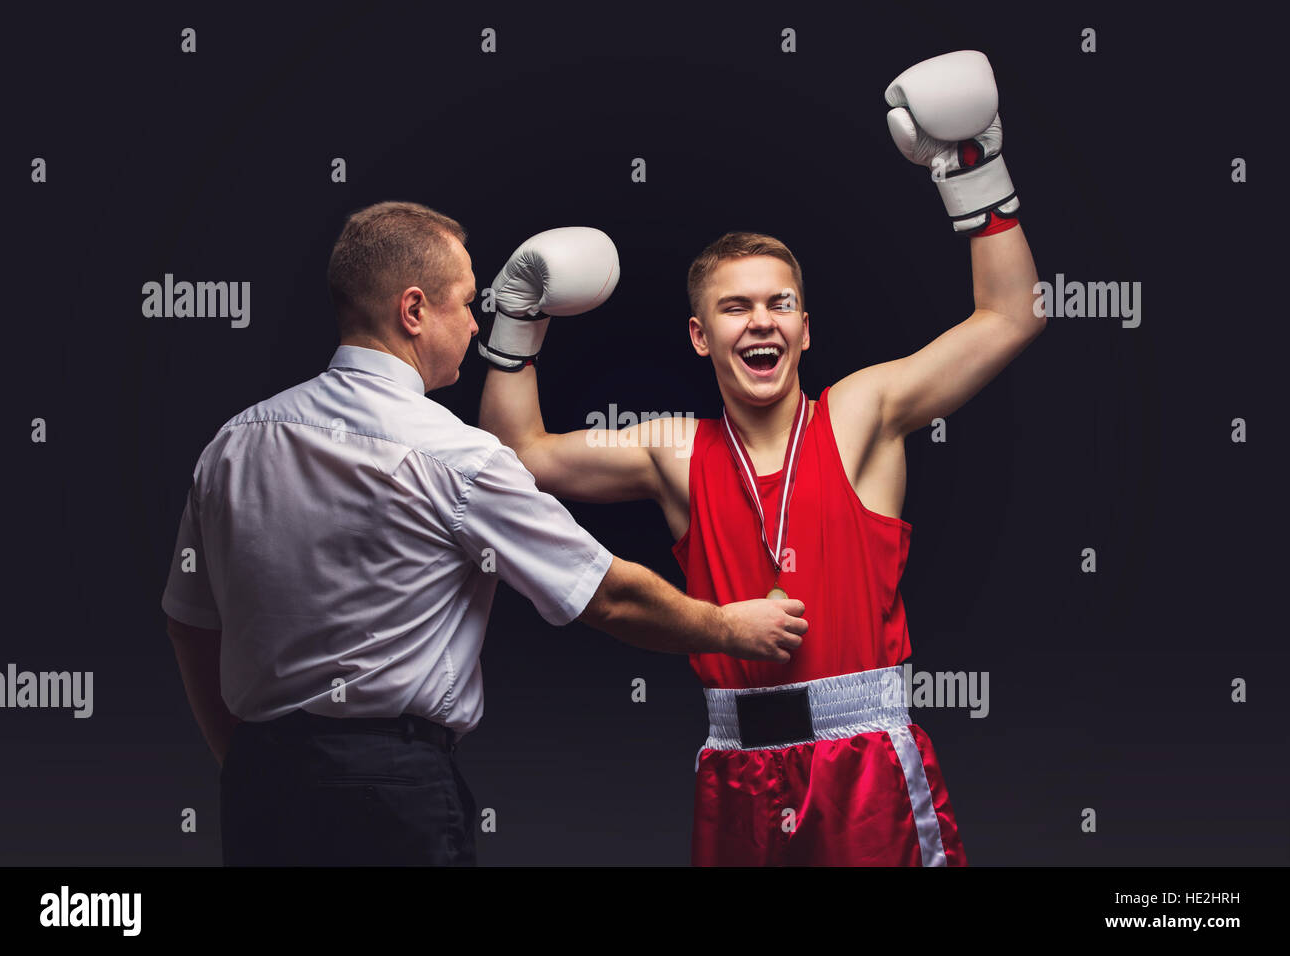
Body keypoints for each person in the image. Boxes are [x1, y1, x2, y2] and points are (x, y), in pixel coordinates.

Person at [477, 51, 1043, 865]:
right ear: (701, 337)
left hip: (865, 771)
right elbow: (519, 457)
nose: (762, 322)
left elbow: (1010, 318)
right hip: (738, 774)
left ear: (806, 328)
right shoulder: (674, 450)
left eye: (780, 304)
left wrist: (974, 170)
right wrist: (515, 324)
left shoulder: (859, 414)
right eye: (735, 308)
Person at [160, 201, 808, 867]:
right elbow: (605, 594)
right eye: (467, 303)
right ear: (413, 312)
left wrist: (244, 758)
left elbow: (188, 625)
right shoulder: (454, 456)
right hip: (393, 793)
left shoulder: (232, 444)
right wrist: (729, 628)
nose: (475, 324)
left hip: (261, 788)